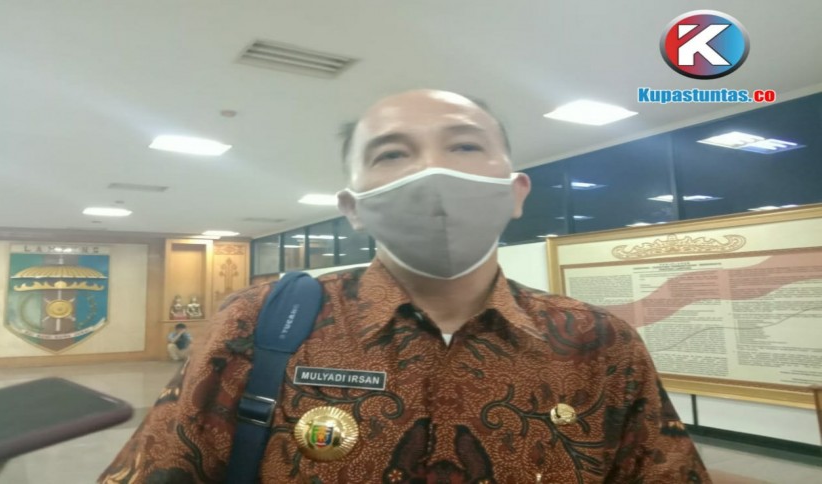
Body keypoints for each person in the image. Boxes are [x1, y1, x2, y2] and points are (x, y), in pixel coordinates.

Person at [101, 90, 710, 483]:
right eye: (392, 154)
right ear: (353, 208)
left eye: (464, 145)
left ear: (515, 192)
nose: (431, 170)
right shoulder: (258, 322)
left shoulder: (598, 342)